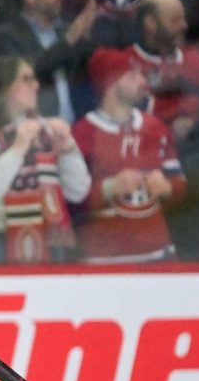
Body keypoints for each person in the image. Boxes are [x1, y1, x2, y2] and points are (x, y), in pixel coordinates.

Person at [0, 54, 91, 263]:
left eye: (34, 79)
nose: (36, 85)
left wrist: (69, 149)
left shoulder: (45, 129)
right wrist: (18, 148)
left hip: (49, 242)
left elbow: (78, 192)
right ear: (4, 87)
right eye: (26, 79)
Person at [72, 47, 186, 263]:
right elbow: (71, 201)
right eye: (132, 75)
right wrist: (108, 189)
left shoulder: (155, 127)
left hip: (160, 256)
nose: (142, 80)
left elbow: (180, 185)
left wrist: (168, 187)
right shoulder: (82, 134)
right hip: (105, 261)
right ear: (110, 81)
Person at [0, 0, 100, 123]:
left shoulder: (65, 29)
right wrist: (69, 40)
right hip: (33, 132)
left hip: (74, 130)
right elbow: (30, 70)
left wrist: (86, 40)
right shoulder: (6, 36)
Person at [121, 0, 199, 144]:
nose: (184, 26)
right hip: (149, 151)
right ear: (150, 23)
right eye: (175, 20)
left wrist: (196, 121)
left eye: (183, 19)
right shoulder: (124, 63)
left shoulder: (197, 59)